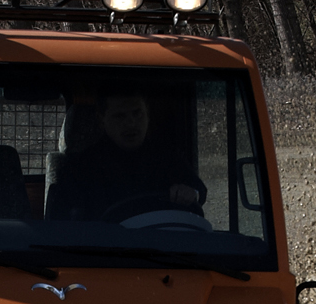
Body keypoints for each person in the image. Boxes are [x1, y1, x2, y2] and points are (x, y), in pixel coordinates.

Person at [51, 93, 205, 221]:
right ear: (101, 120)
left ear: (147, 114)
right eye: (120, 116)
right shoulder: (78, 170)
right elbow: (67, 228)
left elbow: (198, 190)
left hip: (161, 249)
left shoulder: (168, 158)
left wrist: (190, 193)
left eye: (137, 113)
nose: (131, 123)